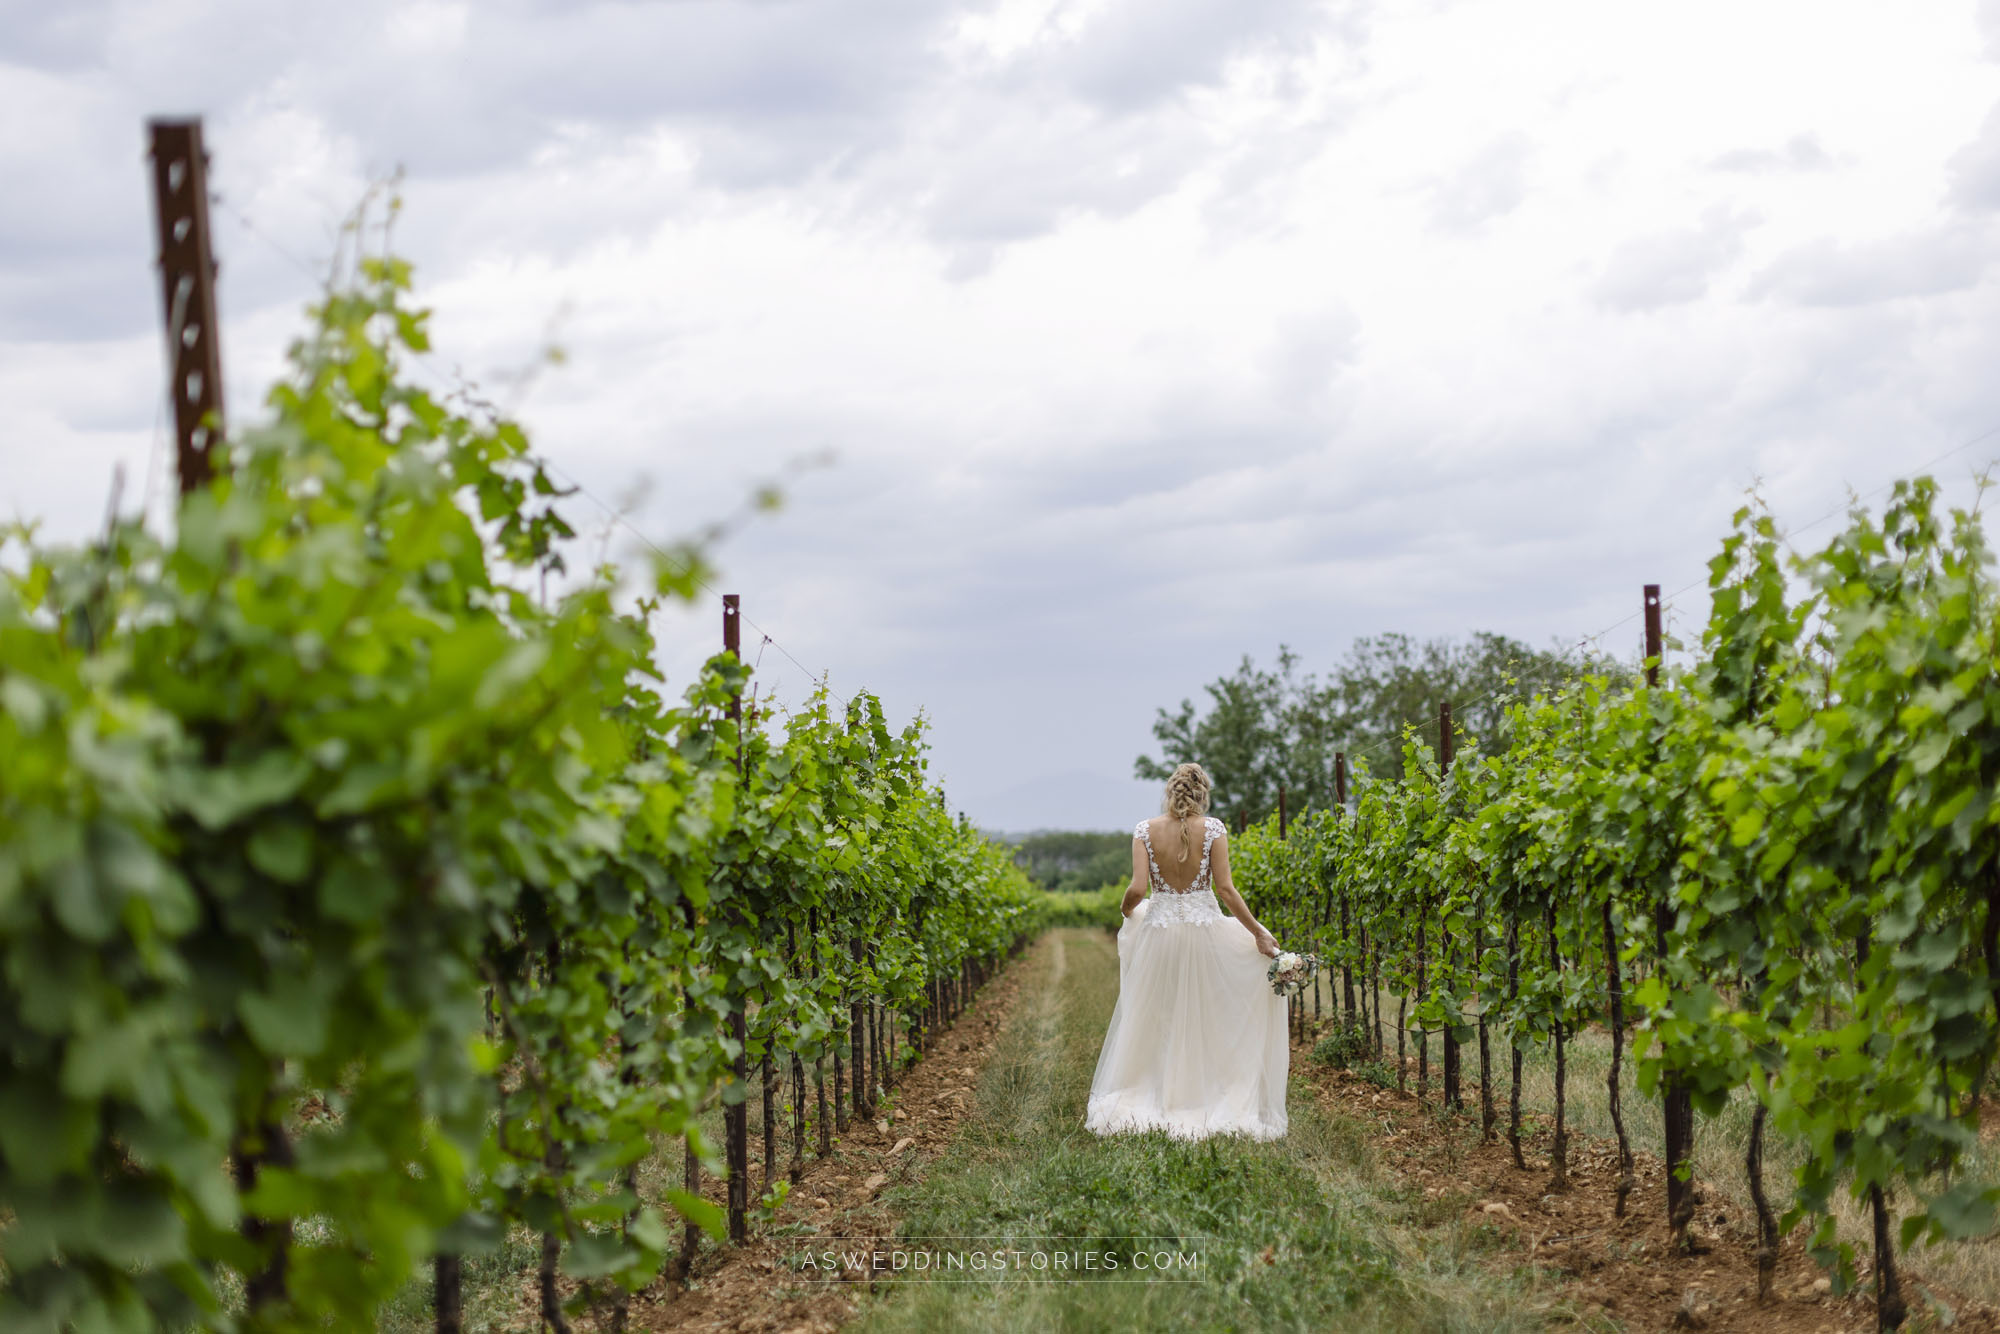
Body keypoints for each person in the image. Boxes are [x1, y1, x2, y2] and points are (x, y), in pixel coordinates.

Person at [1084, 763, 1289, 1141]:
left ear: (1169, 791)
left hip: (1159, 937)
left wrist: (1127, 911)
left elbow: (1137, 888)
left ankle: (1161, 1093)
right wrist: (1258, 932)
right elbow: (1226, 891)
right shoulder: (1213, 830)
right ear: (1202, 794)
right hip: (1204, 936)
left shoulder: (1145, 831)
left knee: (1157, 1017)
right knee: (1208, 1016)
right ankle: (1201, 1093)